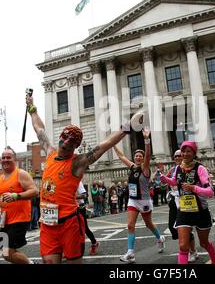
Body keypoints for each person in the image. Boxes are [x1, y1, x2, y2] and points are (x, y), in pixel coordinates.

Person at [26, 93, 142, 264]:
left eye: (71, 142)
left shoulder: (77, 163)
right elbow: (39, 130)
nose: (66, 143)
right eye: (64, 138)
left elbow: (106, 144)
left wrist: (128, 127)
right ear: (60, 137)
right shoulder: (50, 153)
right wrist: (31, 108)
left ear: (75, 147)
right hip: (47, 223)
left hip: (69, 223)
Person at [159, 141, 215, 264]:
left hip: (200, 211)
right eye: (183, 151)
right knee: (182, 246)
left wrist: (194, 188)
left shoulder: (200, 168)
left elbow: (210, 192)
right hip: (184, 211)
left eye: (188, 151)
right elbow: (175, 182)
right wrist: (164, 178)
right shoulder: (178, 168)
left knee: (204, 243)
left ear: (194, 153)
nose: (185, 154)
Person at [114, 129, 166, 264]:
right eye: (136, 155)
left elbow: (148, 154)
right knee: (130, 225)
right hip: (133, 200)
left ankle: (160, 238)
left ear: (143, 159)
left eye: (140, 156)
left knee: (149, 224)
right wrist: (112, 144)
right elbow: (121, 156)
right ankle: (130, 253)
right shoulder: (132, 167)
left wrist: (147, 140)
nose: (137, 157)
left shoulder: (145, 168)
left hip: (145, 201)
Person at [165, 149, 199, 263]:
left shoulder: (189, 168)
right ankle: (186, 246)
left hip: (186, 200)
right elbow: (167, 181)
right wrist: (161, 176)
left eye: (179, 155)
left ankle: (192, 250)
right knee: (172, 226)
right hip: (174, 201)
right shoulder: (172, 170)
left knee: (185, 227)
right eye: (175, 156)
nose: (177, 158)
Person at [76, 180, 100, 255]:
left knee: (84, 228)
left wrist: (72, 196)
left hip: (80, 207)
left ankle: (94, 243)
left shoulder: (77, 182)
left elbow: (85, 195)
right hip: (70, 207)